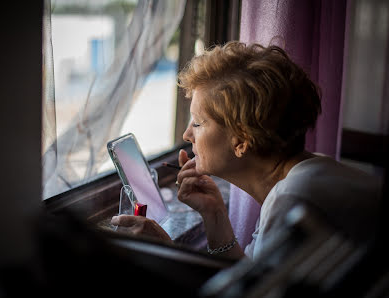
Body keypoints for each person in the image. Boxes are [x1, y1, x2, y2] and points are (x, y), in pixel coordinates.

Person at [111, 41, 381, 260]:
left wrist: (166, 253)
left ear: (241, 140)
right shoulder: (309, 172)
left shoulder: (294, 200)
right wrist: (214, 213)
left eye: (198, 123)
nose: (186, 135)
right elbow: (250, 277)